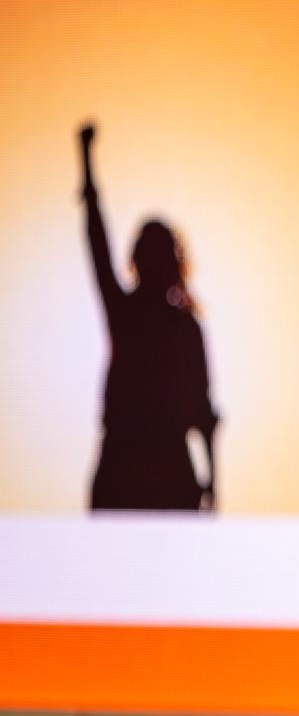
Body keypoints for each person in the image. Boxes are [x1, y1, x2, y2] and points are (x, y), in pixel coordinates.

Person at [78, 123, 220, 511]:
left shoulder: (172, 325)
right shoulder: (141, 318)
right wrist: (86, 165)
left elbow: (203, 410)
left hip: (155, 471)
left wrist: (212, 484)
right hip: (137, 468)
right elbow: (96, 241)